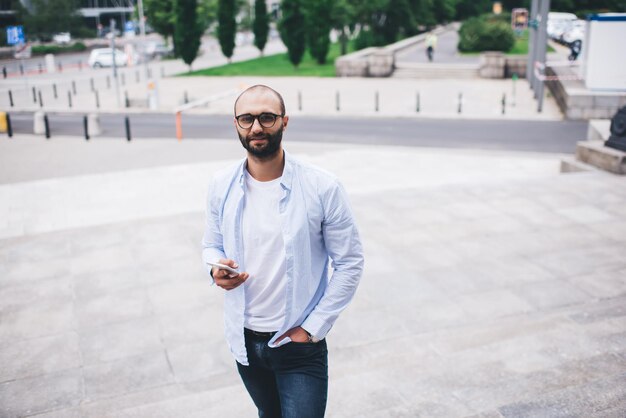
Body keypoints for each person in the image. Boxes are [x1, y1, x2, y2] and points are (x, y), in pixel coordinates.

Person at [202, 84, 364, 418]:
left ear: (284, 122)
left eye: (267, 117)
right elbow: (211, 244)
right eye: (246, 118)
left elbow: (349, 263)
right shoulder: (221, 186)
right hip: (245, 342)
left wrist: (312, 329)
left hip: (298, 345)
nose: (256, 127)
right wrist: (216, 269)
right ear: (236, 124)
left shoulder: (322, 187)